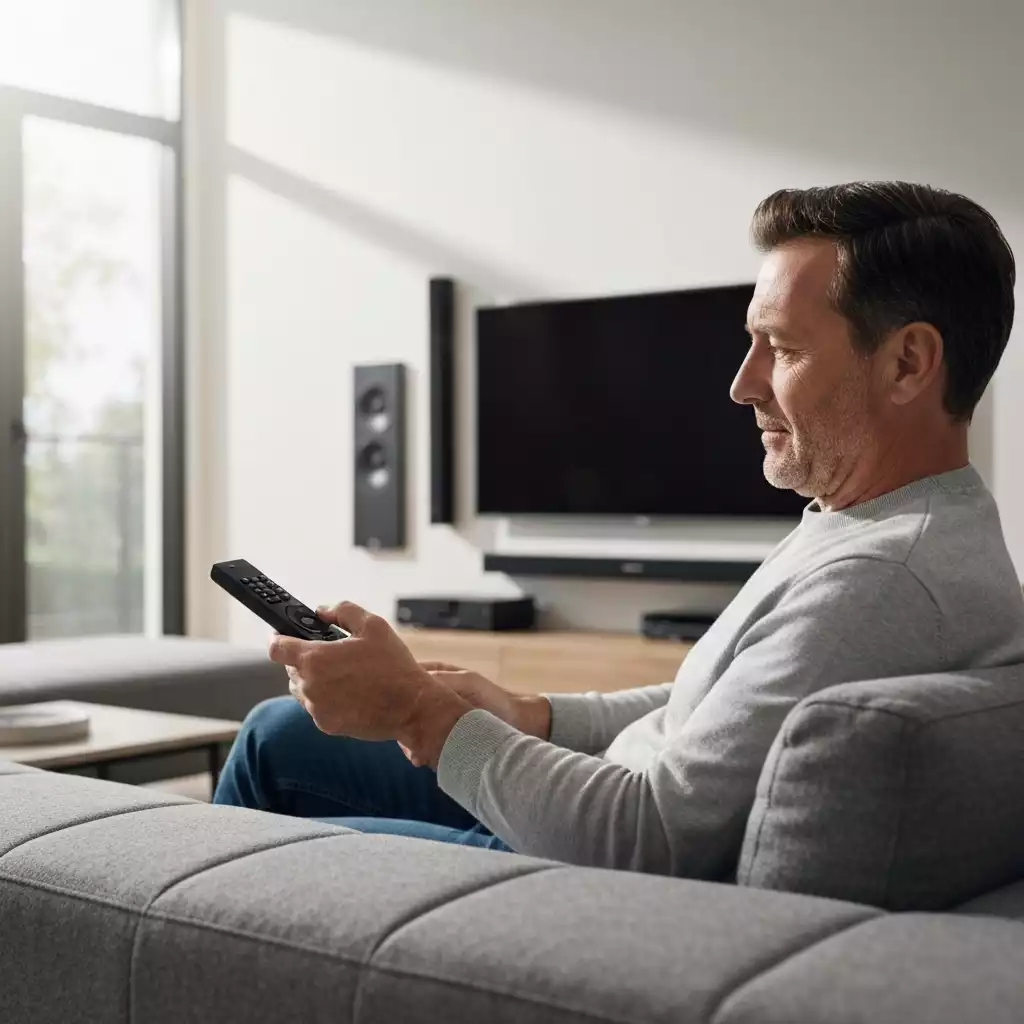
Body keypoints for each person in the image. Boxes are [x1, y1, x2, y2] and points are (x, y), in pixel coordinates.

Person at [215, 181, 1024, 878]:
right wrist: (528, 712)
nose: (743, 385)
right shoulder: (882, 526)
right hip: (583, 818)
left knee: (228, 848)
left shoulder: (880, 580)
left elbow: (649, 840)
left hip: (574, 884)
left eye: (779, 347)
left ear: (909, 364)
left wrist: (414, 712)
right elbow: (715, 704)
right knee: (276, 730)